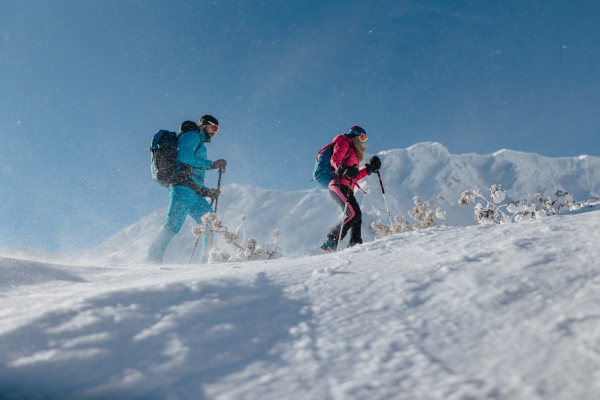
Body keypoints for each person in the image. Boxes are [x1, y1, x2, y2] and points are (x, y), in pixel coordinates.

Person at [145, 115, 227, 264]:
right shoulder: (192, 134)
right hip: (182, 189)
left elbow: (192, 172)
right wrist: (211, 164)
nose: (215, 132)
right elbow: (183, 157)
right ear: (204, 125)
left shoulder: (199, 142)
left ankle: (207, 263)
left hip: (194, 192)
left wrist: (205, 191)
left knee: (211, 225)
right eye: (214, 128)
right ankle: (151, 262)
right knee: (172, 226)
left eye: (217, 130)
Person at [320, 126, 381, 252]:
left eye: (365, 138)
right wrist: (343, 169)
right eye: (362, 137)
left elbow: (355, 176)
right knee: (353, 214)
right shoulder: (344, 142)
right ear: (355, 136)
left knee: (357, 215)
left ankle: (355, 243)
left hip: (346, 186)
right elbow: (335, 159)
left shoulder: (352, 152)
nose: (363, 141)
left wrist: (369, 168)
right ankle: (332, 240)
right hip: (338, 185)